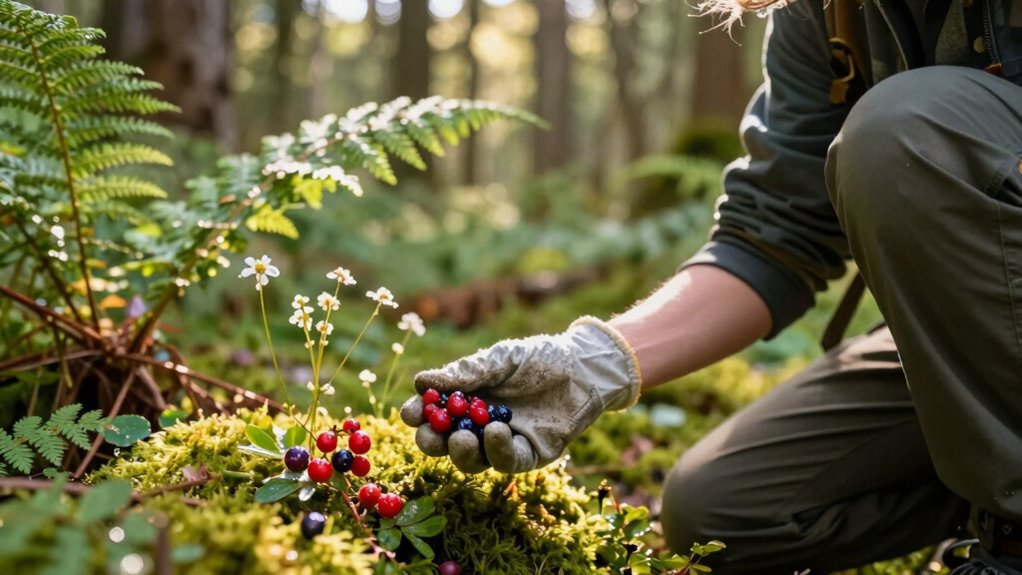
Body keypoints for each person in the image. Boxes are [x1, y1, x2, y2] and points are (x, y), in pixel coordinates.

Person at [400, 0, 1022, 571]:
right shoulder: (825, 12)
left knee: (905, 131)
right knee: (724, 510)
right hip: (992, 330)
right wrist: (592, 362)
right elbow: (775, 237)